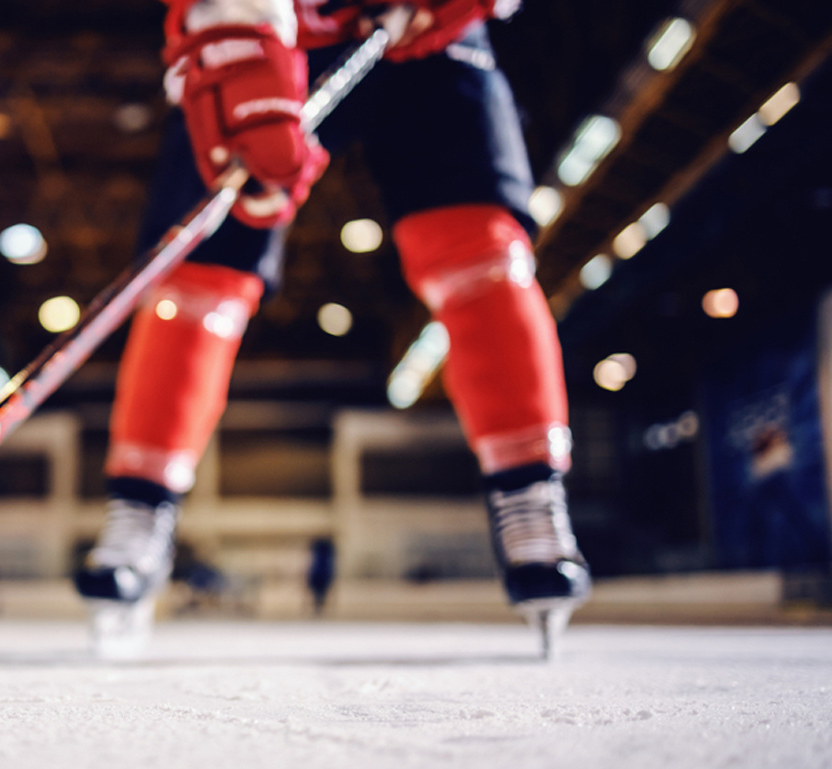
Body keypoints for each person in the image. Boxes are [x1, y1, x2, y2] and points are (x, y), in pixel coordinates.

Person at [73, 0, 591, 652]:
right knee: (199, 276)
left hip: (433, 33)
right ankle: (138, 515)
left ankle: (530, 500)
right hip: (276, 28)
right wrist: (235, 42)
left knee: (480, 250)